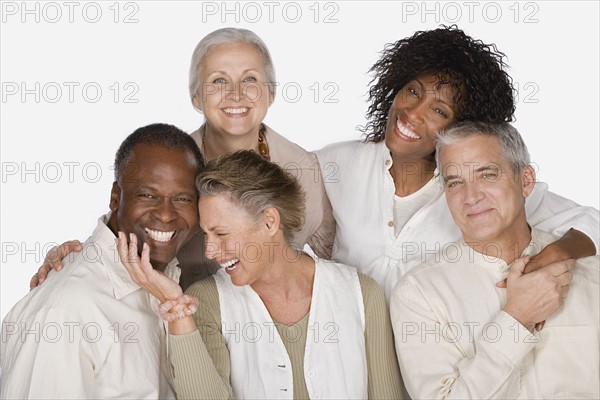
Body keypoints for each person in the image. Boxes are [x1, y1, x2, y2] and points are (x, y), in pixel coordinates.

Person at [32, 27, 335, 290]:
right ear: (195, 96)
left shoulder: (303, 167)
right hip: (186, 321)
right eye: (218, 81)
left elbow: (334, 259)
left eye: (250, 79)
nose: (235, 94)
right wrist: (73, 260)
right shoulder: (171, 166)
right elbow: (126, 231)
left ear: (270, 93)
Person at [316, 26, 599, 300]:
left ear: (460, 127)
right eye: (413, 92)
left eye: (439, 110)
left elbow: (589, 221)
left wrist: (555, 253)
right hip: (353, 343)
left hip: (442, 344)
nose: (413, 113)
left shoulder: (478, 192)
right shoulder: (338, 163)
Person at [117, 150, 404, 399]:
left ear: (269, 222)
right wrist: (178, 312)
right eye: (205, 234)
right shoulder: (207, 300)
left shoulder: (360, 294)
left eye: (221, 233)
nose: (210, 251)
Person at [390, 121, 599, 399]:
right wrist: (517, 318)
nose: (471, 197)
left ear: (525, 181)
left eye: (487, 175)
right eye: (455, 182)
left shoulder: (590, 272)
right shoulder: (419, 295)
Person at [0, 123, 204, 398]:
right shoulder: (66, 315)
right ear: (115, 197)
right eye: (148, 195)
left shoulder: (172, 281)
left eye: (182, 199)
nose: (166, 215)